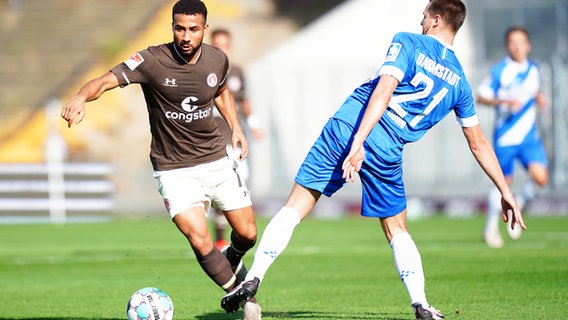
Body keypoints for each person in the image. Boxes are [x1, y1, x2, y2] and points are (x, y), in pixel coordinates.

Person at [220, 0, 526, 319]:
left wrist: (359, 140)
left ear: (436, 20)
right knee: (397, 229)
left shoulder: (407, 41)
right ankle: (421, 304)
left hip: (351, 128)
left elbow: (383, 91)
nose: (420, 22)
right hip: (389, 150)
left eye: (424, 17)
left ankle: (254, 276)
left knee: (296, 205)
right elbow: (478, 143)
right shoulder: (460, 82)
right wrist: (506, 191)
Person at [60, 1, 261, 319]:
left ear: (204, 29)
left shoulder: (217, 59)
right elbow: (105, 80)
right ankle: (241, 296)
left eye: (193, 29)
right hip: (172, 167)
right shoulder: (151, 60)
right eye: (179, 28)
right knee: (198, 236)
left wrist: (236, 128)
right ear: (172, 26)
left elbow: (221, 90)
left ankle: (233, 256)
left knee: (248, 233)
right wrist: (80, 97)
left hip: (214, 158)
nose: (186, 35)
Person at [477, 26, 548, 248]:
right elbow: (481, 97)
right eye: (513, 42)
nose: (517, 47)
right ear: (508, 46)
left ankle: (517, 207)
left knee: (540, 178)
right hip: (505, 138)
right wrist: (503, 102)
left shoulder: (534, 69)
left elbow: (531, 89)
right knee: (503, 184)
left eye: (521, 42)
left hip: (529, 138)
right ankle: (489, 230)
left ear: (528, 45)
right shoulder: (500, 71)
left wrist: (538, 97)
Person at [209, 28, 264, 250]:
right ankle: (220, 239)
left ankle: (238, 236)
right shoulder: (198, 69)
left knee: (241, 184)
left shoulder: (237, 71)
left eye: (224, 44)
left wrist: (254, 125)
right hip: (209, 139)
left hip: (233, 138)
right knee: (217, 188)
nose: (221, 48)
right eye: (216, 44)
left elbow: (243, 99)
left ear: (229, 46)